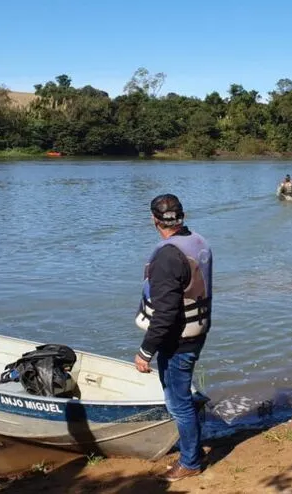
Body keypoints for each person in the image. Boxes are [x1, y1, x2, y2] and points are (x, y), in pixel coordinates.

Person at [134, 193, 212, 482]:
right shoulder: (198, 241)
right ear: (182, 216)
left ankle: (190, 462)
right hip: (196, 332)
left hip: (177, 340)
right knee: (182, 398)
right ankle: (193, 449)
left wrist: (145, 352)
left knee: (178, 402)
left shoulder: (168, 255)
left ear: (155, 220)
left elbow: (165, 314)